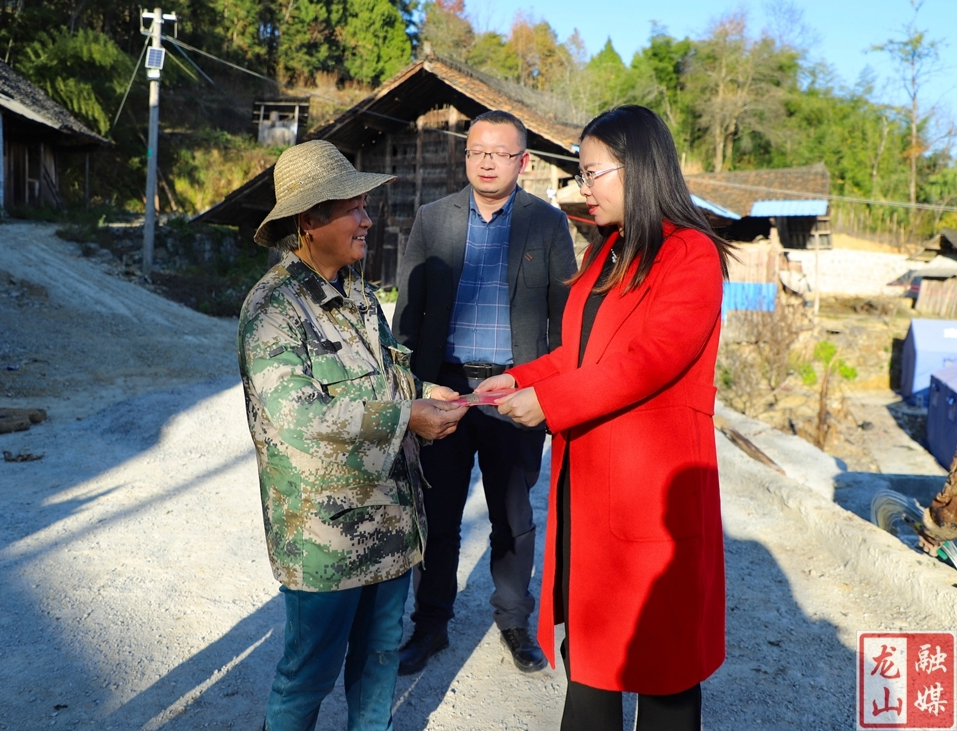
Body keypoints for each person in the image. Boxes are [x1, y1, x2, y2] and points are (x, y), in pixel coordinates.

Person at [476, 105, 731, 730]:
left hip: (650, 496)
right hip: (591, 492)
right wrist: (521, 377)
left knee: (663, 676)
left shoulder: (689, 255)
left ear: (637, 168)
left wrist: (551, 403)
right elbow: (579, 352)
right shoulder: (608, 252)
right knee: (591, 668)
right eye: (582, 174)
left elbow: (651, 359)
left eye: (593, 173)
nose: (583, 188)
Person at [237, 139, 468, 731]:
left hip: (390, 528)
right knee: (307, 678)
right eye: (354, 208)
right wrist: (405, 418)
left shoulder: (360, 293)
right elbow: (297, 419)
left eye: (366, 206)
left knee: (378, 672)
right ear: (310, 221)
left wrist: (421, 394)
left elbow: (383, 379)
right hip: (326, 541)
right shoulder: (274, 308)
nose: (368, 218)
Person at [392, 110, 577, 674]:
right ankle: (430, 626)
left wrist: (543, 388)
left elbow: (562, 320)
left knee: (513, 513)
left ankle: (515, 621)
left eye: (501, 152)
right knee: (439, 512)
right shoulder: (433, 219)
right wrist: (415, 388)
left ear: (524, 160)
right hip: (445, 385)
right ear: (466, 157)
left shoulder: (546, 224)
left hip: (513, 392)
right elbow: (408, 313)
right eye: (477, 151)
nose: (488, 161)